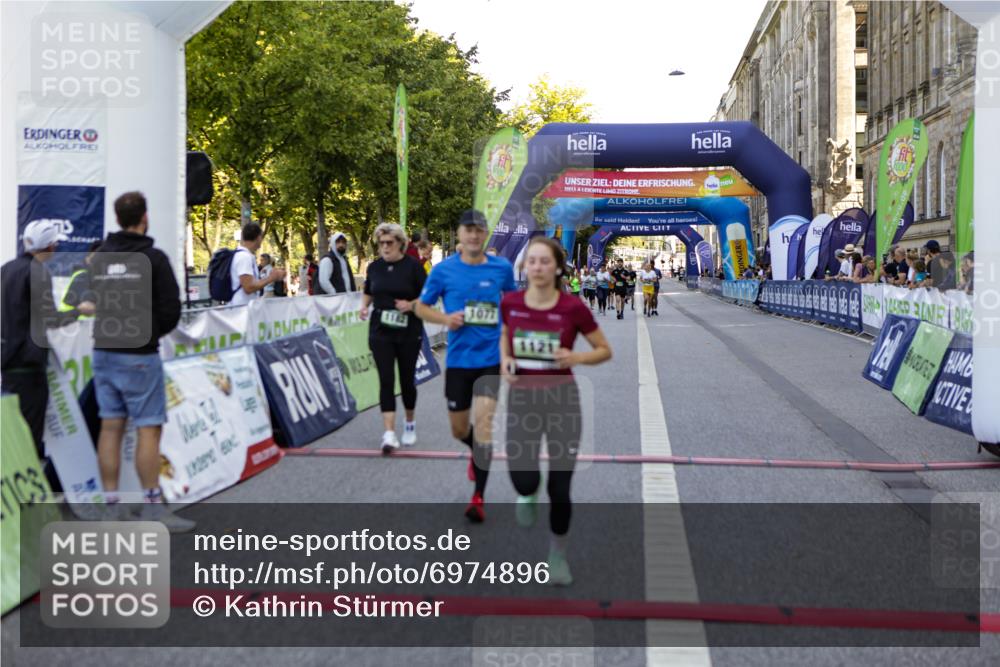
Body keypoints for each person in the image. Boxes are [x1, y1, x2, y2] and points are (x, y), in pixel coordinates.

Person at [500, 236, 612, 585]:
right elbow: (506, 334)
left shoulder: (572, 307)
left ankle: (557, 556)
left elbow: (603, 350)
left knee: (560, 488)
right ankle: (528, 491)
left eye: (544, 261)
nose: (537, 267)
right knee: (525, 478)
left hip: (562, 400)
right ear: (525, 266)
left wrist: (575, 357)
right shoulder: (511, 302)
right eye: (531, 261)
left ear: (557, 267)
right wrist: (505, 359)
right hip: (522, 400)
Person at [88, 192, 190, 530]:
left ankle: (111, 505)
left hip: (104, 351)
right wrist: (149, 333)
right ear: (144, 216)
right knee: (148, 430)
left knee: (110, 427)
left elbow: (91, 299)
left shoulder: (99, 257)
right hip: (139, 355)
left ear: (118, 218)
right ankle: (151, 508)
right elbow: (171, 309)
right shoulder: (154, 258)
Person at [415, 210, 517, 523]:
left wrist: (510, 351)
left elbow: (513, 308)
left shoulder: (501, 268)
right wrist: (446, 319)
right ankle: (476, 453)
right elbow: (420, 307)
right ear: (459, 234)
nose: (473, 236)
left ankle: (478, 497)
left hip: (490, 360)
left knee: (484, 427)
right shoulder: (444, 271)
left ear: (485, 234)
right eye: (468, 230)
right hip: (459, 361)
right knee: (460, 429)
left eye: (479, 231)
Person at [1, 219, 87, 489]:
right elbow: (50, 319)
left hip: (8, 361)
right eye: (55, 243)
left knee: (12, 430)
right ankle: (25, 497)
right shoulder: (38, 272)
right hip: (28, 364)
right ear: (49, 245)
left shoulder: (5, 269)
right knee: (28, 433)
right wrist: (79, 311)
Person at [360, 223, 427, 453]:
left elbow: (428, 298)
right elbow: (369, 290)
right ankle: (389, 433)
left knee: (407, 381)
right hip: (380, 331)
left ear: (400, 243)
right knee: (386, 380)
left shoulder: (414, 268)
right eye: (381, 243)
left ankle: (409, 423)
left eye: (389, 243)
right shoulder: (374, 267)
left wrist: (411, 305)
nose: (385, 247)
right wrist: (363, 307)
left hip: (408, 332)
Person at [230, 223, 285, 306]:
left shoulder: (243, 255)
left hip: (244, 307)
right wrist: (271, 278)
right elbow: (248, 287)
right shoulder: (244, 257)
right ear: (258, 237)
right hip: (242, 309)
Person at [59, 239, 103, 316]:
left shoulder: (84, 273)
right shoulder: (84, 276)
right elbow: (88, 305)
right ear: (88, 258)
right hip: (80, 324)